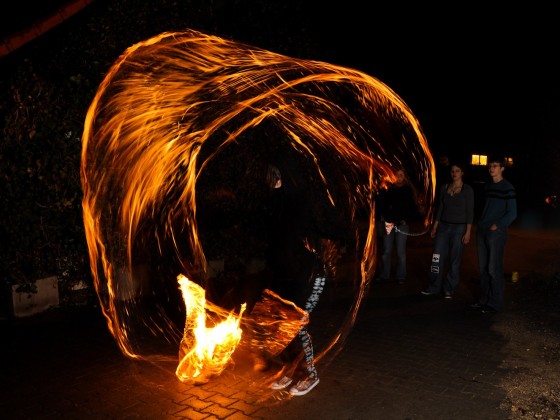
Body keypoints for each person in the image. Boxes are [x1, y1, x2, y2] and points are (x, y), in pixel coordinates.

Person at [421, 162, 474, 298]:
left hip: (459, 228)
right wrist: (435, 226)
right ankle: (434, 286)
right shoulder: (444, 188)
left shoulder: (467, 189)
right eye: (452, 171)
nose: (454, 173)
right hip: (444, 227)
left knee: (455, 259)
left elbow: (470, 212)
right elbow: (440, 208)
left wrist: (468, 232)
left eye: (457, 170)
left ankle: (449, 288)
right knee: (436, 257)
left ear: (462, 173)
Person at [471, 157, 517, 313]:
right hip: (482, 230)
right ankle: (484, 300)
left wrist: (497, 225)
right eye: (490, 166)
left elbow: (512, 213)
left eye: (495, 166)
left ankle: (494, 304)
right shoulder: (488, 187)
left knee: (493, 268)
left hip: (495, 233)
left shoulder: (508, 188)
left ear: (502, 169)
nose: (491, 168)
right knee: (483, 269)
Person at [375, 168, 421, 284]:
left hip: (401, 224)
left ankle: (401, 276)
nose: (399, 177)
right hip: (389, 223)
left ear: (404, 176)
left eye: (401, 175)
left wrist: (407, 219)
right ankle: (384, 275)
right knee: (387, 251)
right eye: (397, 175)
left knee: (401, 252)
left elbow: (412, 208)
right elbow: (381, 203)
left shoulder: (408, 190)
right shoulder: (388, 188)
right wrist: (381, 215)